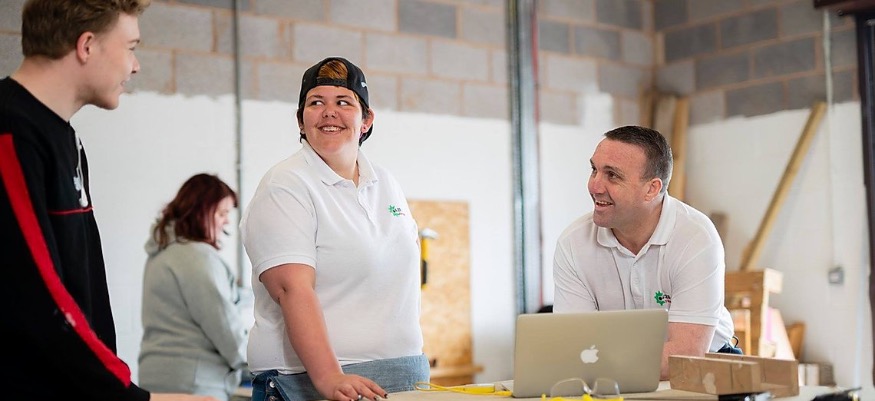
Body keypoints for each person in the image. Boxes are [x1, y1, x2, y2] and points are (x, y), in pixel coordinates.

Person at [0, 1, 216, 400]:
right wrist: (131, 396)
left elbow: (81, 287)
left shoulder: (66, 137)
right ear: (86, 46)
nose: (135, 66)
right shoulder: (11, 129)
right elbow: (39, 296)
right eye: (131, 47)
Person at [240, 57, 428, 401]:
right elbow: (291, 289)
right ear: (301, 120)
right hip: (311, 381)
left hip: (403, 372)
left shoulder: (385, 182)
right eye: (316, 103)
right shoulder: (286, 185)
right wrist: (328, 376)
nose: (329, 112)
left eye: (343, 102)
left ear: (366, 120)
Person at [552, 125, 737, 381]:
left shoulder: (695, 236)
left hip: (705, 367)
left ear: (652, 189)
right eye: (594, 170)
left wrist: (597, 366)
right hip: (616, 373)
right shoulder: (573, 243)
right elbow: (573, 347)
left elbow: (686, 357)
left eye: (612, 175)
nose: (594, 186)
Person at [138, 173, 251, 400]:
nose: (227, 222)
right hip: (196, 384)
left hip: (157, 377)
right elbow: (224, 326)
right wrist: (260, 363)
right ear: (201, 211)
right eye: (222, 213)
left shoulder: (162, 252)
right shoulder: (198, 257)